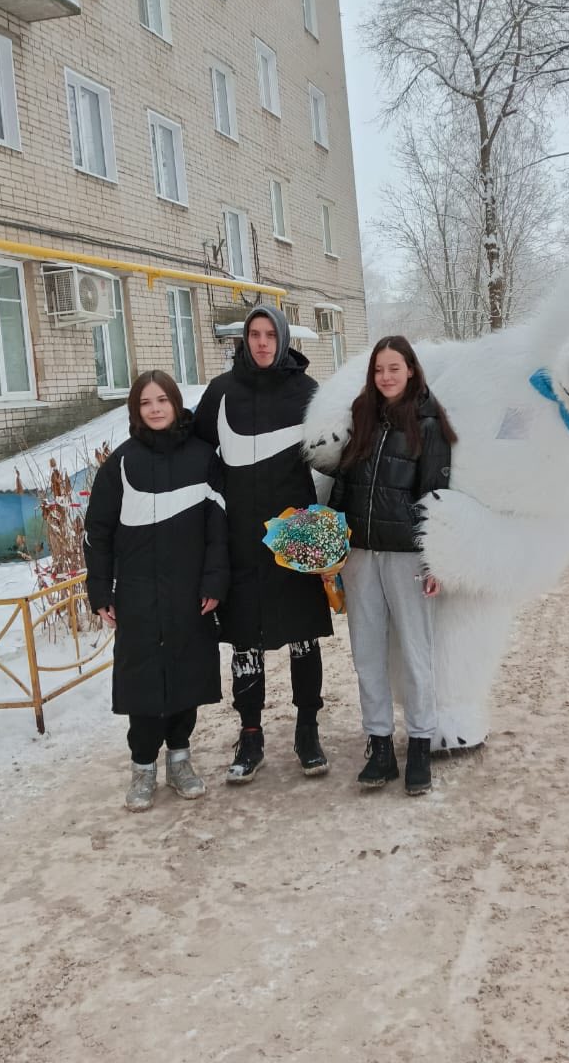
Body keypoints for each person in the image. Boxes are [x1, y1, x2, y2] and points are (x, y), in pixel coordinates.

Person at [193, 305, 333, 784]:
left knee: (303, 639)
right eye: (254, 334)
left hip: (297, 535)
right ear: (244, 340)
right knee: (245, 644)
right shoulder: (220, 393)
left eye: (270, 334)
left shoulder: (308, 393)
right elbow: (196, 456)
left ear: (284, 338)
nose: (262, 343)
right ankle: (250, 735)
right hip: (240, 541)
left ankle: (307, 729)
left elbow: (339, 453)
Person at [84, 370, 228, 813]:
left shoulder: (205, 458)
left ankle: (180, 760)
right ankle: (143, 767)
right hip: (138, 594)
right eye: (146, 403)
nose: (155, 409)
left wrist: (214, 582)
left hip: (190, 593)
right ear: (136, 411)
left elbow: (218, 531)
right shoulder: (121, 464)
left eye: (162, 400)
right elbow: (98, 532)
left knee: (187, 675)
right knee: (143, 681)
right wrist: (100, 590)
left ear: (175, 403)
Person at [330, 336, 457, 795]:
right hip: (360, 555)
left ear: (410, 370)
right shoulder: (362, 415)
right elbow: (343, 483)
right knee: (367, 655)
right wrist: (333, 546)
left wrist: (434, 559)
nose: (386, 376)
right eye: (379, 369)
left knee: (416, 652)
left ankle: (420, 745)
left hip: (407, 556)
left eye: (394, 368)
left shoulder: (428, 423)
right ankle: (379, 746)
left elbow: (436, 496)